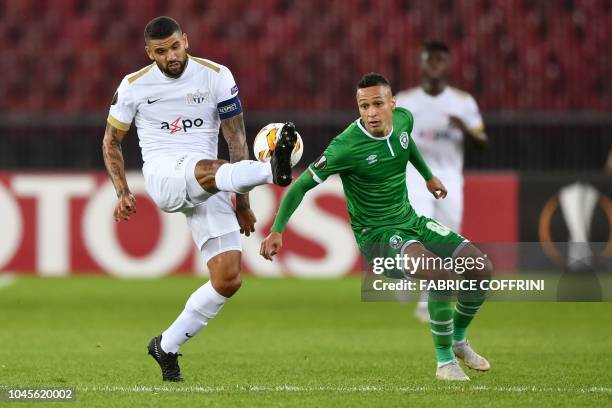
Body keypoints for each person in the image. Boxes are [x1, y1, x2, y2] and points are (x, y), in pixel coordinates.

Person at [260, 73, 492, 381]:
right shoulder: (345, 147)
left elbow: (407, 146)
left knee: (480, 268)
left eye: (377, 104)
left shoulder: (405, 119)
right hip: (379, 238)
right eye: (363, 106)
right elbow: (301, 185)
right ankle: (445, 362)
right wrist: (277, 229)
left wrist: (428, 176)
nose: (370, 113)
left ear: (392, 104)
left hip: (412, 222)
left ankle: (459, 339)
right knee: (438, 273)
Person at [102, 16, 297, 382]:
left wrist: (242, 202)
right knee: (209, 167)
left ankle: (166, 346)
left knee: (228, 278)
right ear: (149, 53)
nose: (170, 56)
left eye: (175, 47)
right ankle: (273, 171)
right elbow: (111, 141)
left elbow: (236, 139)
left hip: (214, 179)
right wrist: (123, 192)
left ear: (185, 41)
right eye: (161, 52)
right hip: (166, 175)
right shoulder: (133, 86)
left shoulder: (216, 76)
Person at [395, 41, 487, 322]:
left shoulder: (463, 102)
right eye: (429, 59)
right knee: (422, 230)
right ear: (421, 64)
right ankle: (407, 273)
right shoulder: (405, 100)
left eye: (440, 60)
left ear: (447, 65)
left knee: (447, 235)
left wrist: (465, 129)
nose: (434, 65)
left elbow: (482, 143)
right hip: (414, 176)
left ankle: (426, 298)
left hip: (449, 177)